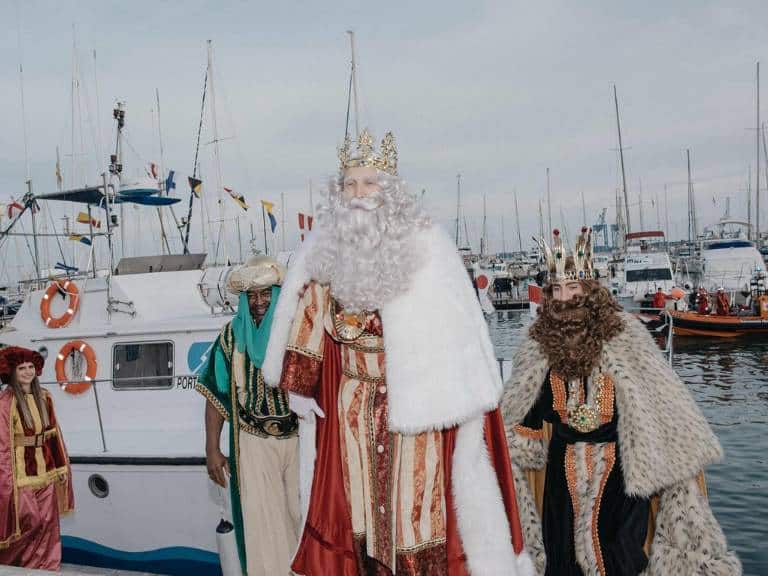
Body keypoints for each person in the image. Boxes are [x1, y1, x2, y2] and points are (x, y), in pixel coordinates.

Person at [262, 129, 532, 575]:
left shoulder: (427, 247)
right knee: (358, 516)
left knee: (415, 514)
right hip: (352, 406)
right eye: (349, 184)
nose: (359, 194)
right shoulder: (323, 250)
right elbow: (306, 312)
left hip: (414, 407)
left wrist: (461, 397)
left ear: (388, 189)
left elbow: (458, 329)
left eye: (369, 183)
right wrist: (300, 387)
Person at [501, 228, 740, 575]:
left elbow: (661, 403)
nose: (565, 297)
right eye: (557, 289)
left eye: (573, 287)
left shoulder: (625, 336)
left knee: (622, 556)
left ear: (589, 289)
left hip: (621, 475)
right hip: (561, 477)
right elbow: (523, 414)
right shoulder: (539, 346)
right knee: (563, 557)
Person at [196, 255, 300, 576]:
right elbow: (216, 394)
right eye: (252, 295)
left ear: (278, 294)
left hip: (298, 441)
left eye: (265, 293)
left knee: (304, 517)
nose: (258, 302)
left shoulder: (297, 332)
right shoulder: (231, 337)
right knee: (262, 527)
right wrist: (212, 449)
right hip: (253, 443)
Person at [0, 346, 74, 570]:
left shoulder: (45, 397)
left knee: (49, 525)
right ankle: (13, 567)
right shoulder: (6, 402)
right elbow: (2, 444)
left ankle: (47, 568)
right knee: (28, 522)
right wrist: (6, 481)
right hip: (21, 477)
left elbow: (54, 436)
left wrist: (62, 470)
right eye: (22, 368)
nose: (27, 372)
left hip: (46, 473)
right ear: (12, 372)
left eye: (31, 367)